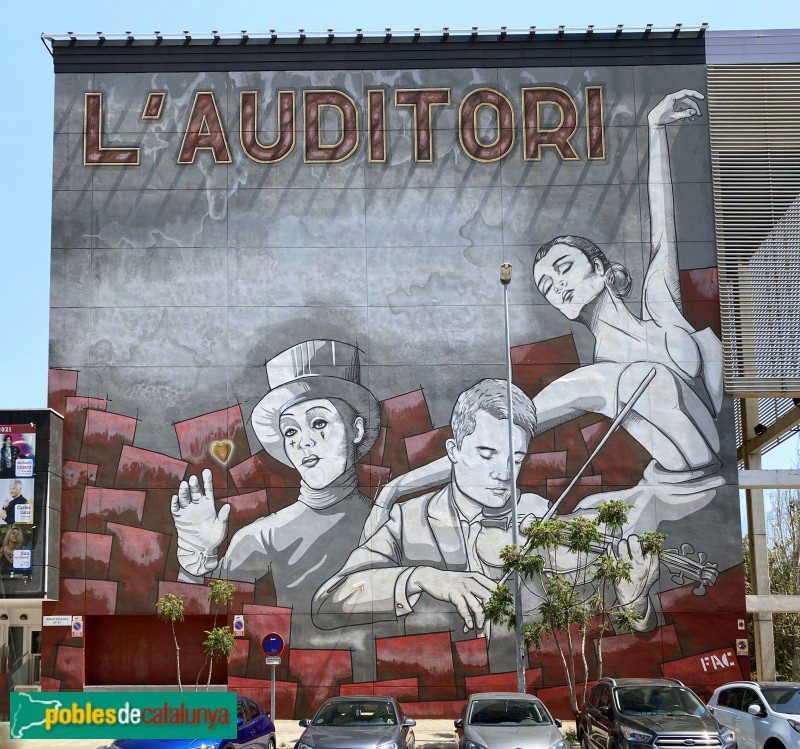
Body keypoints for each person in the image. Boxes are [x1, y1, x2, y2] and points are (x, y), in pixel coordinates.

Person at [365, 89, 724, 540]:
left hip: (702, 477)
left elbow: (662, 224)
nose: (559, 287)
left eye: (564, 268)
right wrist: (397, 486)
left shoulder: (660, 306)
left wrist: (654, 128)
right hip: (684, 484)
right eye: (548, 287)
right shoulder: (595, 378)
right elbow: (496, 430)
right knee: (618, 382)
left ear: (602, 269)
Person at [313, 379, 659, 655]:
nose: (503, 473)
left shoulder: (538, 516)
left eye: (515, 458)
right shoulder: (409, 520)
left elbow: (587, 632)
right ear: (454, 452)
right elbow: (329, 603)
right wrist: (424, 577)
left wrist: (634, 603)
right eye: (487, 453)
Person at [170, 340, 380, 651]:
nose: (303, 442)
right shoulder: (261, 536)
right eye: (291, 431)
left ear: (356, 430)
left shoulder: (393, 522)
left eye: (319, 423)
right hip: (285, 680)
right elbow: (200, 633)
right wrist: (195, 561)